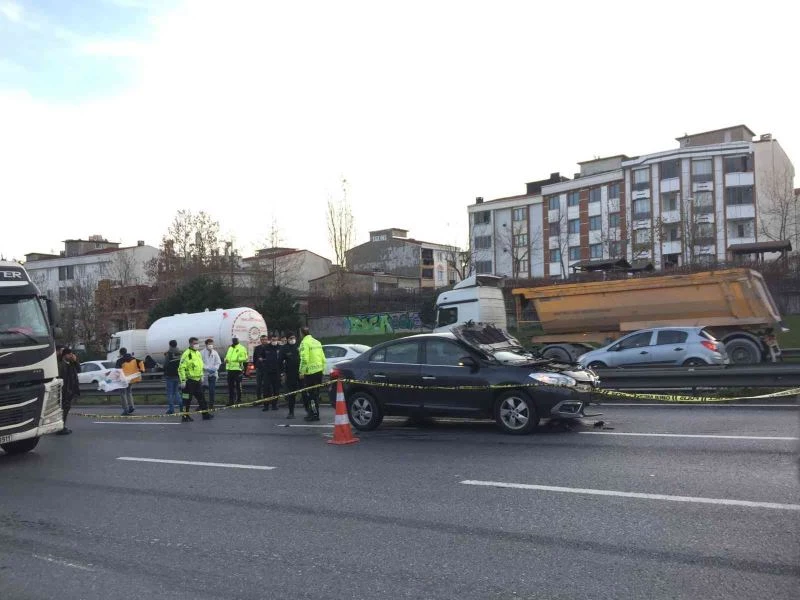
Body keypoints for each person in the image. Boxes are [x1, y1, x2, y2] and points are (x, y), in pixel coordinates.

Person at [179, 337, 212, 422]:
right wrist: (183, 380)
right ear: (190, 344)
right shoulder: (186, 354)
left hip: (197, 380)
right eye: (195, 343)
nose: (197, 345)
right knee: (186, 399)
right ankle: (185, 416)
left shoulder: (198, 353)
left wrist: (201, 376)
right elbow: (181, 368)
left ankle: (205, 414)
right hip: (189, 381)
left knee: (202, 398)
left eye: (197, 343)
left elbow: (200, 365)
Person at [298, 326, 325, 421]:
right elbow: (323, 358)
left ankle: (314, 414)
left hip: (310, 373)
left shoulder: (304, 343)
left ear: (301, 333)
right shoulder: (317, 342)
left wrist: (301, 371)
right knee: (316, 394)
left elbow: (304, 359)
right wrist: (322, 370)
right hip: (319, 372)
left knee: (311, 396)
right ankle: (315, 413)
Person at [56, 347, 80, 435]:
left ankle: (61, 426)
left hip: (70, 390)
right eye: (69, 354)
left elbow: (78, 370)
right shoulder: (61, 365)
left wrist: (75, 361)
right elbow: (62, 379)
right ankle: (60, 428)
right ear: (65, 355)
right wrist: (65, 391)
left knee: (65, 409)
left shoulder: (71, 363)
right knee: (63, 409)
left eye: (72, 354)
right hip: (65, 391)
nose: (71, 356)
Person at [115, 347, 144, 416]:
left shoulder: (119, 361)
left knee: (123, 394)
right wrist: (142, 370)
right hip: (131, 379)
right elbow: (141, 362)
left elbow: (117, 371)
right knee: (129, 392)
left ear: (121, 353)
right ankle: (131, 406)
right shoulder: (133, 359)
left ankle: (126, 409)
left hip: (123, 380)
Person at [280, 333, 300, 419]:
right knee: (292, 394)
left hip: (301, 373)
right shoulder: (284, 348)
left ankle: (309, 411)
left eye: (294, 338)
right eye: (291, 338)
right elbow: (279, 361)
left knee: (305, 392)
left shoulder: (299, 346)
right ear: (287, 339)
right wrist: (282, 373)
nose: (293, 340)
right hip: (290, 374)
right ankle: (291, 412)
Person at [260, 334, 282, 412]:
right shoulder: (266, 348)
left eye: (275, 340)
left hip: (277, 372)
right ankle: (266, 405)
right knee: (266, 389)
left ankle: (274, 405)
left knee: (276, 389)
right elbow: (261, 357)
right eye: (273, 340)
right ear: (270, 340)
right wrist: (263, 363)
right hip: (267, 372)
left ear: (277, 339)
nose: (274, 341)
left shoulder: (280, 348)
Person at [224, 337, 248, 406]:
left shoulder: (242, 348)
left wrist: (237, 359)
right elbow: (227, 356)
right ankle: (231, 401)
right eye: (233, 340)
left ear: (238, 340)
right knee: (230, 386)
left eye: (236, 339)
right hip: (230, 369)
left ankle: (239, 400)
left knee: (238, 385)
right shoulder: (230, 348)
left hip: (238, 369)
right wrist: (225, 359)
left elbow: (245, 358)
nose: (234, 341)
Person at [202, 338, 222, 411]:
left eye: (212, 344)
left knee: (212, 390)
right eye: (209, 344)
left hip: (213, 374)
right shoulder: (202, 353)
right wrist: (207, 368)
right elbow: (200, 363)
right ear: (206, 345)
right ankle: (202, 405)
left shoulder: (215, 352)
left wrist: (215, 368)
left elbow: (218, 362)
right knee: (202, 391)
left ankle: (211, 405)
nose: (211, 345)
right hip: (204, 375)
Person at [163, 340, 182, 415]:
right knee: (176, 392)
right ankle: (181, 406)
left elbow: (165, 365)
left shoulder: (169, 354)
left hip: (169, 375)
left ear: (170, 345)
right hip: (177, 375)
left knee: (170, 393)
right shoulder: (180, 353)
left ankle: (171, 409)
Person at [252, 335, 270, 401]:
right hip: (259, 369)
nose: (264, 341)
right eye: (262, 339)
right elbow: (254, 358)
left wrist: (264, 360)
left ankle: (267, 399)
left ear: (267, 339)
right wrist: (256, 366)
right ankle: (258, 399)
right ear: (260, 340)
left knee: (267, 384)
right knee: (258, 385)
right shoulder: (257, 348)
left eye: (265, 339)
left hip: (267, 369)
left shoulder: (269, 347)